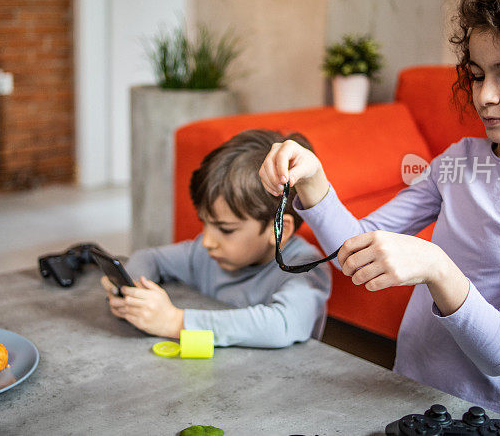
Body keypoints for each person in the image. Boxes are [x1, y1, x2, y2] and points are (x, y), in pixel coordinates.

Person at [259, 0, 500, 433]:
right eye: (476, 76)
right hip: (414, 393)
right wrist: (312, 179)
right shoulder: (460, 160)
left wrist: (438, 266)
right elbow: (354, 245)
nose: (485, 97)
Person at [101, 129, 331, 348]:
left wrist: (175, 321)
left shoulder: (305, 268)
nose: (206, 241)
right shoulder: (204, 254)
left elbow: (282, 325)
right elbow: (149, 258)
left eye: (226, 229)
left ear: (278, 229)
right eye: (205, 222)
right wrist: (131, 291)